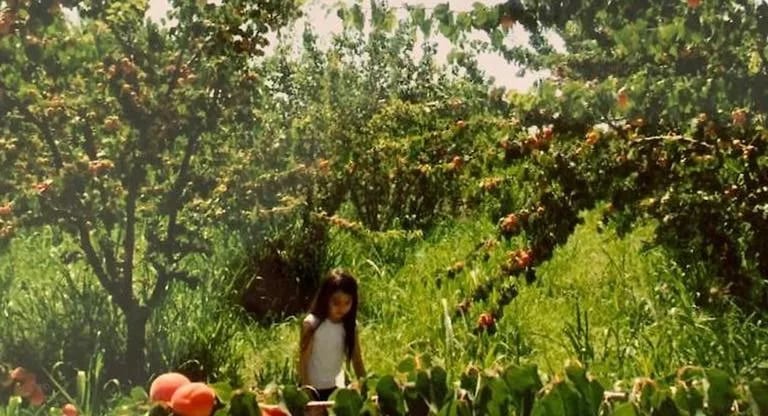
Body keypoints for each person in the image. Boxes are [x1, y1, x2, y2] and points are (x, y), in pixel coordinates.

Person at [298, 268, 366, 402]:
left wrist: (366, 388)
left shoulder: (350, 326)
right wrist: (307, 391)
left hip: (336, 390)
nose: (342, 308)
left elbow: (357, 360)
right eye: (336, 303)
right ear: (325, 299)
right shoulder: (312, 324)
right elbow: (303, 363)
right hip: (312, 390)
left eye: (347, 303)